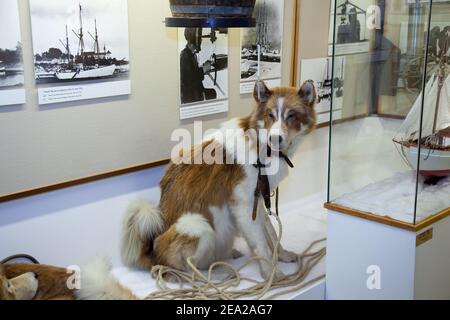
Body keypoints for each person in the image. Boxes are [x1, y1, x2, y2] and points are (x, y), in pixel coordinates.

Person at [180, 28, 217, 104]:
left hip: (197, 92)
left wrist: (204, 67)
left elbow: (192, 72)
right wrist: (203, 69)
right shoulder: (184, 55)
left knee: (213, 93)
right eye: (199, 41)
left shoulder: (192, 55)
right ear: (191, 42)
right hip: (190, 97)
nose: (200, 43)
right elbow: (189, 80)